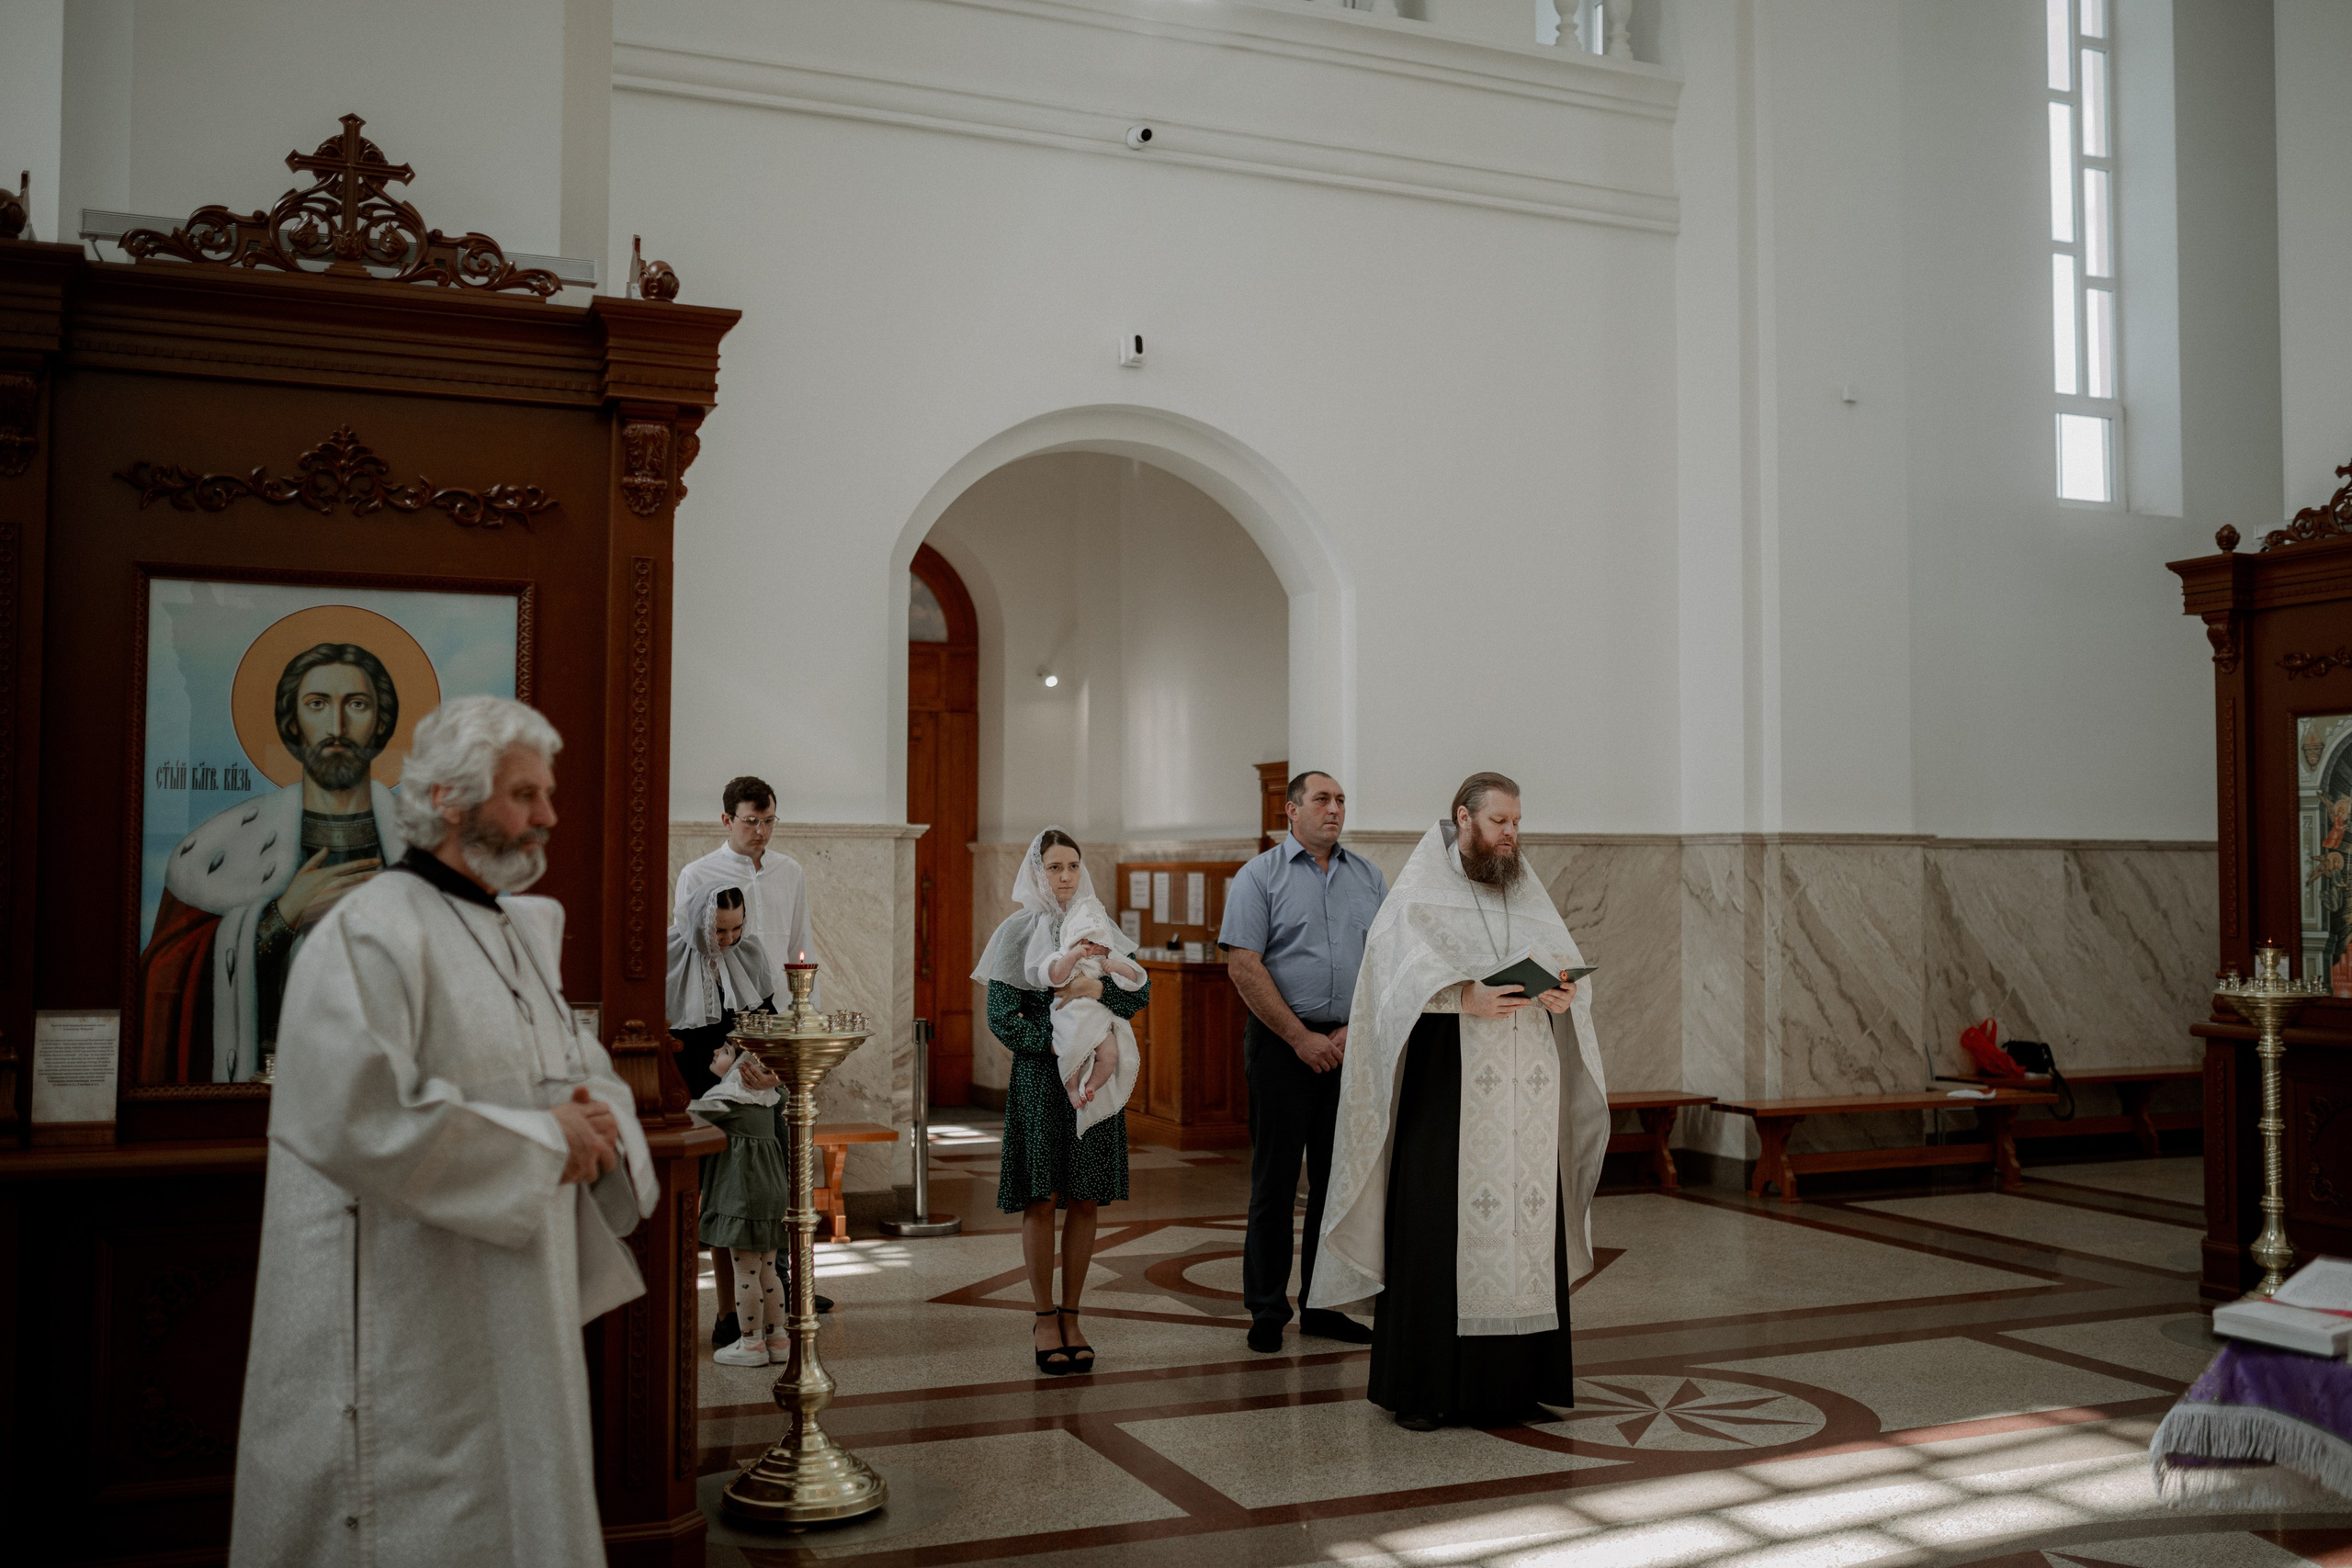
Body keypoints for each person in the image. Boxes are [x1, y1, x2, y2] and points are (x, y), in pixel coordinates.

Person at [229, 695, 658, 1566]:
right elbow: (353, 1111)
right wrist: (548, 1140)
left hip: (518, 1301)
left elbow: (583, 1072)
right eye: (525, 795)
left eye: (546, 793)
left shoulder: (518, 932)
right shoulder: (369, 931)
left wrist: (599, 1128)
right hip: (409, 1312)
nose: (549, 816)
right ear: (451, 800)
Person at [1308, 772, 1608, 1432]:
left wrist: (1562, 994)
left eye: (1518, 823)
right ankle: (1423, 1388)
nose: (1512, 835)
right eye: (1501, 822)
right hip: (1447, 1094)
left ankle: (1519, 1386)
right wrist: (1459, 995)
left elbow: (1561, 962)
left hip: (1524, 1095)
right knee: (1435, 1229)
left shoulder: (1525, 890)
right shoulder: (1419, 893)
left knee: (1524, 1229)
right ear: (1463, 817)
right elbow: (1389, 987)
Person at [140, 642, 402, 1083]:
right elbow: (163, 980)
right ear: (293, 722)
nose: (336, 726)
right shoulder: (222, 848)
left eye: (356, 704)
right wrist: (283, 916)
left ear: (380, 722)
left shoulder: (426, 847)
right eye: (317, 704)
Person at [1217, 770, 1389, 1354]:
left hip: (1348, 1044)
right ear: (1292, 811)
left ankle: (1323, 1305)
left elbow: (1384, 964)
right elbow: (1244, 965)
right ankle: (1267, 1309)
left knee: (1335, 1184)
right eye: (1322, 800)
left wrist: (1349, 1029)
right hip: (1281, 1046)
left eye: (1341, 800)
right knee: (1275, 1181)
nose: (1335, 809)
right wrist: (1300, 1038)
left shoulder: (1368, 877)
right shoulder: (1258, 877)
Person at [975, 828, 1152, 1374]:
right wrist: (1057, 1049)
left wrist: (1097, 992)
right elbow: (1002, 1015)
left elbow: (1139, 992)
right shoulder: (1015, 932)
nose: (1066, 876)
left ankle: (1073, 1313)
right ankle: (1044, 1315)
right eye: (1054, 867)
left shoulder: (1097, 923)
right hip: (1040, 1079)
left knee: (1085, 1197)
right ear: (1036, 872)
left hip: (1091, 1080)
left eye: (1073, 865)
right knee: (1041, 1196)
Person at [693, 1043, 793, 1368]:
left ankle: (750, 1344)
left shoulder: (726, 1100)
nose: (714, 1054)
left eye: (722, 1051)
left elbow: (687, 1119)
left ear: (744, 1067)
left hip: (743, 1192)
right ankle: (778, 1340)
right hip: (772, 1190)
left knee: (745, 1271)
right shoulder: (768, 1100)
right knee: (767, 1270)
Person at [1032, 892, 1147, 1133]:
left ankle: (1093, 1084)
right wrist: (1072, 955)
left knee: (1111, 1053)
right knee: (1073, 1051)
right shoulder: (1063, 957)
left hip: (1100, 1022)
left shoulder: (1109, 960)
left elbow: (1136, 980)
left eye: (1099, 943)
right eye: (1086, 942)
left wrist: (1116, 967)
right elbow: (1053, 976)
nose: (1093, 949)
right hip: (1071, 1019)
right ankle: (1072, 1087)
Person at [673, 775, 814, 970]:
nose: (761, 831)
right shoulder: (696, 875)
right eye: (751, 821)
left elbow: (801, 942)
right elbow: (685, 952)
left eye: (769, 820)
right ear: (727, 820)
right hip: (725, 996)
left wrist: (807, 999)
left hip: (781, 995)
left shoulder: (790, 872)